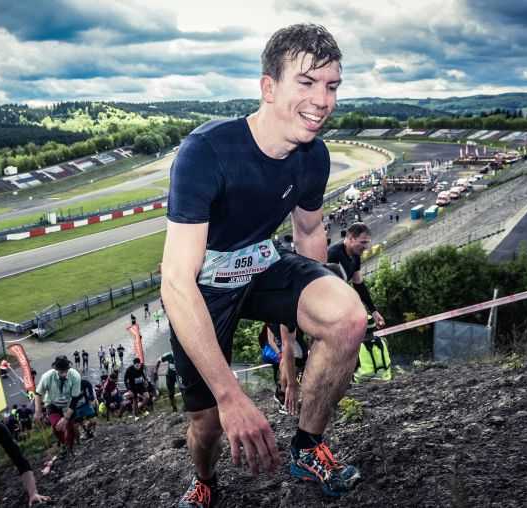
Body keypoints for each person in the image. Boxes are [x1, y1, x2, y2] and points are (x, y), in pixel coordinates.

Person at [161, 24, 365, 507]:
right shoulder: (206, 153)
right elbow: (175, 282)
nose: (323, 100)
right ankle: (205, 479)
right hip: (203, 287)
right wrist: (231, 396)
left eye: (332, 86)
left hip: (261, 265)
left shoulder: (314, 157)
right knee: (207, 424)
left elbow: (311, 234)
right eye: (307, 82)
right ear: (269, 87)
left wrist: (298, 344)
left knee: (348, 318)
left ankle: (307, 447)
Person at [327, 222, 386, 331]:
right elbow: (330, 292)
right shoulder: (333, 255)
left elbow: (359, 284)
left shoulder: (355, 255)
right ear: (350, 238)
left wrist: (373, 311)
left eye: (367, 243)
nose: (366, 247)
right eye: (363, 242)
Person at [34, 356, 83, 455]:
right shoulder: (47, 377)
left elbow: (75, 399)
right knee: (57, 426)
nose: (64, 374)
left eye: (66, 371)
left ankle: (70, 447)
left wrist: (66, 418)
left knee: (70, 427)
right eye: (61, 372)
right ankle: (63, 443)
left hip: (69, 404)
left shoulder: (75, 376)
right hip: (53, 404)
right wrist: (38, 411)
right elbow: (38, 393)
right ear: (56, 370)